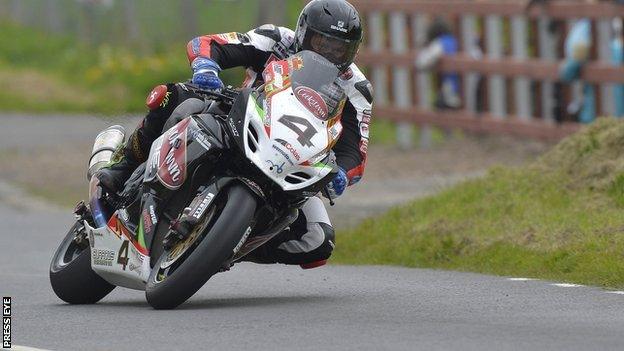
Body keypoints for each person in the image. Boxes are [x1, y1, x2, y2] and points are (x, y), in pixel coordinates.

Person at [96, 0, 373, 269]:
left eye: (340, 49)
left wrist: (342, 174)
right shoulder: (276, 39)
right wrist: (206, 65)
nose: (329, 53)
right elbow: (208, 44)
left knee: (318, 242)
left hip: (294, 159)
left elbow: (355, 153)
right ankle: (124, 166)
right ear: (304, 32)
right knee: (177, 98)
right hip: (236, 118)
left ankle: (225, 247)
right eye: (322, 42)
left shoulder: (356, 88)